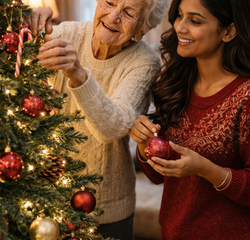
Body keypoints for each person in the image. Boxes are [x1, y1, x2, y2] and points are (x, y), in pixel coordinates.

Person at [26, 0, 168, 239]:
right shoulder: (68, 33)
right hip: (45, 196)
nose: (113, 16)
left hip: (105, 207)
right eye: (109, 2)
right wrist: (29, 23)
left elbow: (112, 128)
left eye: (128, 13)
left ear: (142, 28)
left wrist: (78, 75)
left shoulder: (144, 62)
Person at [130, 0, 250, 239]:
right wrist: (144, 144)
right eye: (179, 16)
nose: (180, 27)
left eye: (195, 21)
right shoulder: (176, 86)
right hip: (173, 233)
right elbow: (158, 176)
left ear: (229, 31)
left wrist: (206, 169)